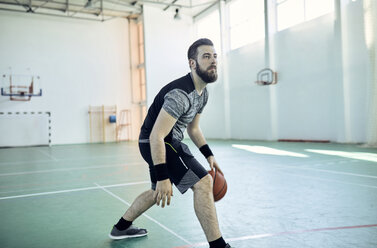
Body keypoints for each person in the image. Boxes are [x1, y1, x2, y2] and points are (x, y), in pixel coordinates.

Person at [109, 38, 231, 248]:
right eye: (206, 56)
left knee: (157, 192)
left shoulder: (202, 93)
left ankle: (121, 227)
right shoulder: (180, 94)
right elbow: (157, 135)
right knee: (203, 184)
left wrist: (209, 154)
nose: (213, 61)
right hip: (158, 141)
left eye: (214, 56)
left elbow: (193, 129)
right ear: (192, 63)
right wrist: (164, 175)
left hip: (163, 141)